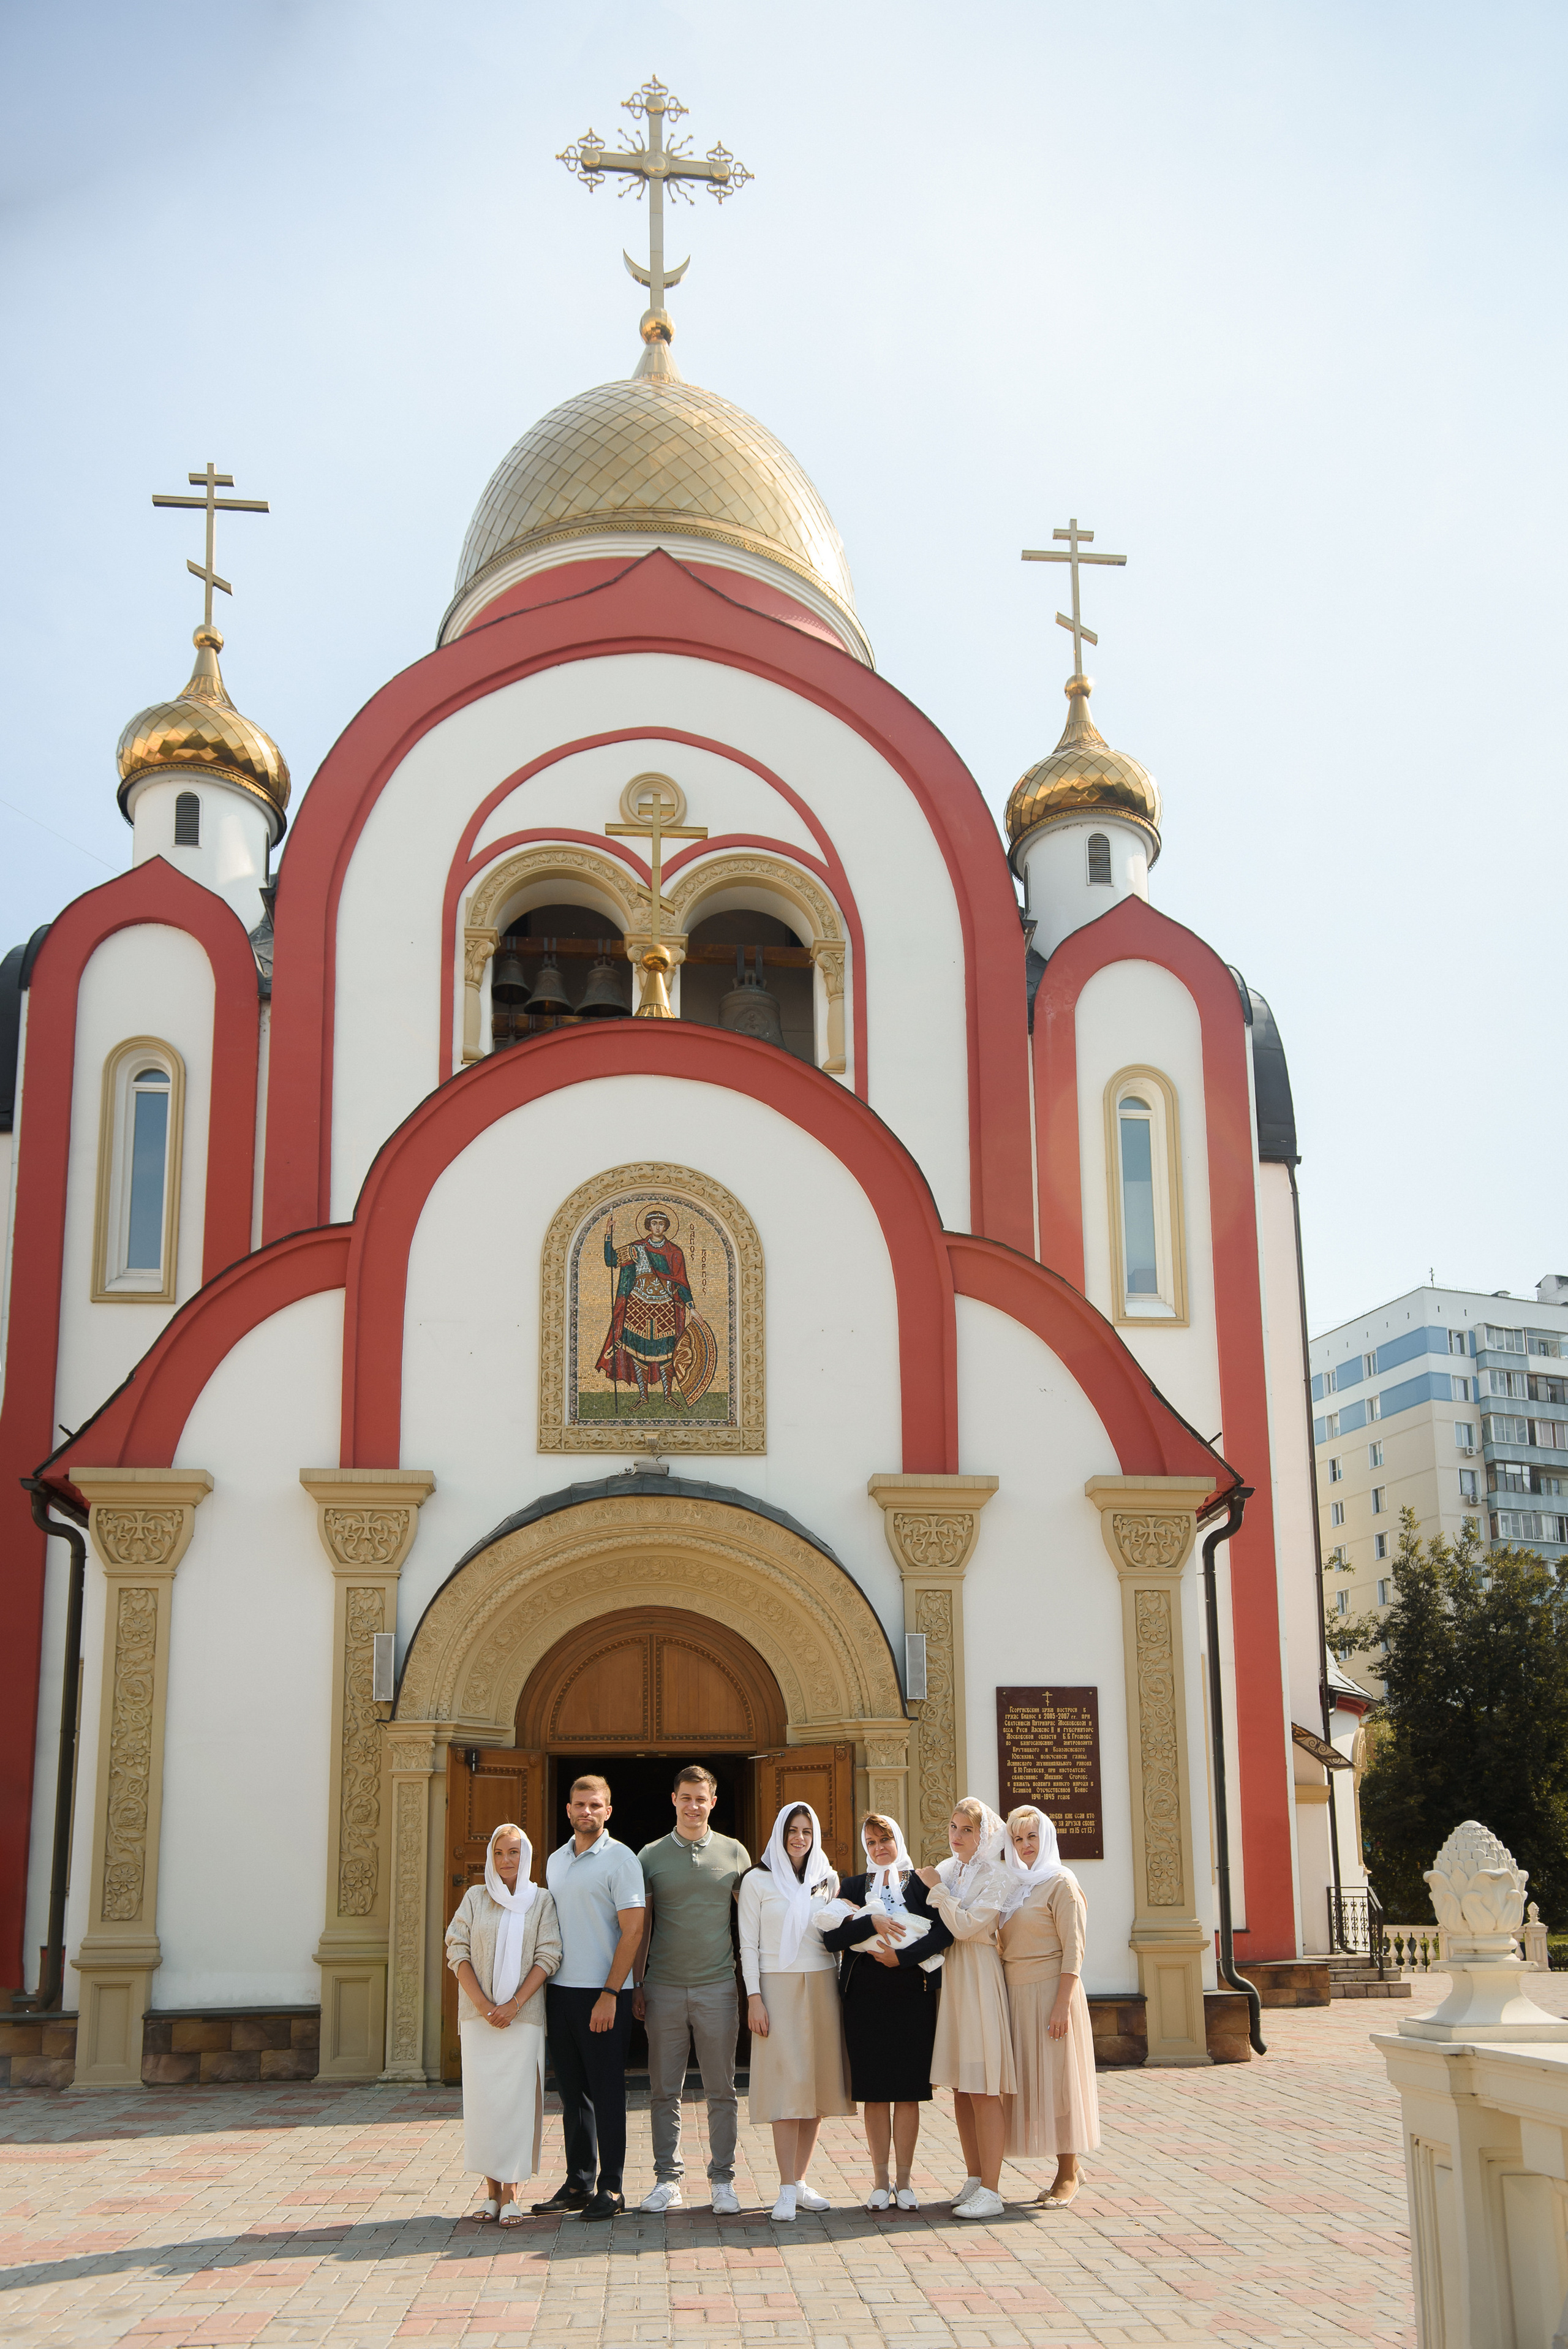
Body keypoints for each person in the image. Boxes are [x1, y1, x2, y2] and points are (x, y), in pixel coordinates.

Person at [820, 1812, 954, 2211]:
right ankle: (880, 2182)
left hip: (913, 1994)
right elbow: (831, 1937)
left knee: (908, 2092)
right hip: (865, 1999)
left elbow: (944, 1933)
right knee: (876, 2093)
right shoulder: (853, 1886)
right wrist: (871, 1922)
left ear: (899, 1841)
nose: (880, 1848)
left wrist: (903, 1957)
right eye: (873, 1842)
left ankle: (906, 2182)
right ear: (866, 1847)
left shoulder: (919, 1886)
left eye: (887, 1840)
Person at [634, 1764, 751, 2215]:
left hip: (718, 1987)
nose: (693, 1805)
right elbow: (639, 1927)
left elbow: (756, 1918)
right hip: (662, 1986)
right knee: (665, 2089)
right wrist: (637, 1983)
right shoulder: (650, 1856)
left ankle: (723, 2180)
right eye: (686, 1797)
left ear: (713, 1802)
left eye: (701, 1798)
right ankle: (668, 2180)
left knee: (722, 2089)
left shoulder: (735, 1853)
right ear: (674, 1800)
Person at [532, 1774, 647, 2222]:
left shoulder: (622, 1861)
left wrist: (611, 1993)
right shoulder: (556, 1861)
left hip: (605, 1995)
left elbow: (633, 1929)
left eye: (596, 1805)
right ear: (568, 1809)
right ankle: (579, 2181)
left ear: (609, 1810)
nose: (587, 1812)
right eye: (580, 1804)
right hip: (561, 1993)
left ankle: (612, 2188)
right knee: (573, 2094)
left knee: (607, 2092)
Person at [739, 1802, 854, 2222]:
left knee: (816, 2090)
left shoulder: (828, 1878)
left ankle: (801, 2182)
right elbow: (747, 1945)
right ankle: (785, 2187)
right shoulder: (757, 1881)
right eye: (792, 1829)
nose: (799, 1837)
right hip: (777, 1988)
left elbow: (836, 1937)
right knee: (788, 2088)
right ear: (779, 1833)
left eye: (807, 1830)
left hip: (822, 1985)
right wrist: (754, 1997)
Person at [445, 1823, 562, 2225]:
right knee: (485, 2107)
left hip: (523, 2019)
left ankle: (511, 2192)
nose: (507, 1861)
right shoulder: (475, 1898)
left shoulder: (541, 1901)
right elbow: (456, 1948)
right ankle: (491, 2194)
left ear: (526, 1856)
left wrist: (513, 2004)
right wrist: (482, 2004)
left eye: (514, 1852)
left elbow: (549, 1955)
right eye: (499, 1853)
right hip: (479, 2022)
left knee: (515, 2105)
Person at [914, 1797, 1017, 2222]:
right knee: (960, 2084)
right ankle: (974, 2177)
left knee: (984, 2085)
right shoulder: (952, 1867)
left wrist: (936, 1893)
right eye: (953, 1828)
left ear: (985, 1834)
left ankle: (993, 2189)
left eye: (967, 1831)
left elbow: (968, 1926)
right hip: (955, 1978)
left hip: (980, 1977)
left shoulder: (999, 1874)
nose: (957, 1837)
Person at [998, 1805, 1101, 2206]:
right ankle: (1070, 2168)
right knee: (1032, 2082)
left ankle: (1066, 2172)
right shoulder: (1013, 1884)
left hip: (1052, 1993)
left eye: (1031, 1837)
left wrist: (1062, 2004)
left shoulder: (1061, 1882)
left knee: (1059, 2084)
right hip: (1017, 1992)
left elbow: (1074, 1948)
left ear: (1046, 1838)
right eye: (1018, 1838)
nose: (1024, 1845)